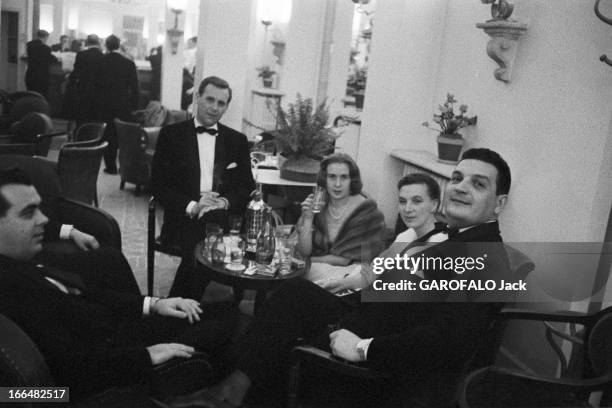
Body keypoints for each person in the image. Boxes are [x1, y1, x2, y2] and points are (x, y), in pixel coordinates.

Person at [170, 148, 513, 407]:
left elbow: (448, 342)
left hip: (376, 348)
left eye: (478, 184)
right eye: (457, 179)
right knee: (290, 296)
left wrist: (364, 347)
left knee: (274, 327)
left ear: (499, 204)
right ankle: (227, 383)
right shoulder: (458, 239)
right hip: (366, 314)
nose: (461, 188)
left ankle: (228, 391)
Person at [0, 167, 239, 399]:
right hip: (115, 367)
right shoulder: (11, 288)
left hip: (119, 333)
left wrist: (154, 304)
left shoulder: (19, 262)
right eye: (29, 213)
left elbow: (89, 295)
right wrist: (146, 356)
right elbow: (59, 380)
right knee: (229, 328)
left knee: (224, 312)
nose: (43, 219)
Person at [151, 75, 255, 299]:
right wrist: (195, 206)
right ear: (197, 97)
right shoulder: (171, 135)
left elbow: (247, 187)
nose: (214, 107)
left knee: (213, 222)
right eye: (210, 99)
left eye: (221, 103)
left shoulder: (237, 140)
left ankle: (178, 305)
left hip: (224, 215)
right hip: (184, 218)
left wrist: (224, 202)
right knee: (208, 230)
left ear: (227, 107)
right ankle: (218, 307)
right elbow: (158, 186)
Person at [296, 153, 385, 286]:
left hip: (355, 274)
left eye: (344, 177)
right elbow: (304, 251)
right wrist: (308, 219)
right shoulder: (319, 203)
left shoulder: (366, 212)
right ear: (324, 179)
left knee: (297, 281)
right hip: (318, 269)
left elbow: (344, 260)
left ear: (352, 180)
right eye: (332, 177)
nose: (337, 184)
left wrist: (305, 261)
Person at [95, 34, 139, 174]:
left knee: (107, 134)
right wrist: (134, 106)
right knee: (122, 135)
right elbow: (135, 88)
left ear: (106, 45)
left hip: (104, 103)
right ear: (119, 46)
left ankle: (110, 165)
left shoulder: (100, 62)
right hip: (122, 103)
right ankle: (124, 167)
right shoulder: (128, 63)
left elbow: (95, 85)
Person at [394, 173, 447, 244]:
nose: (407, 209)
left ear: (434, 205)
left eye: (417, 201)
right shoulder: (404, 237)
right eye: (402, 201)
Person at [68, 34, 104, 125]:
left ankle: (79, 134)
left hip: (83, 88)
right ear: (98, 43)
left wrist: (70, 81)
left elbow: (76, 72)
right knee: (93, 118)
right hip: (97, 90)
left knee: (81, 116)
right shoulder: (103, 57)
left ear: (87, 42)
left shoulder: (81, 55)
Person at [25, 30, 58, 99]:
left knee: (31, 96)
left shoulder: (29, 45)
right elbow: (50, 59)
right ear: (46, 37)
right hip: (42, 77)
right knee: (41, 97)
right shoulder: (46, 48)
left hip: (30, 75)